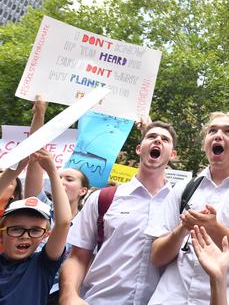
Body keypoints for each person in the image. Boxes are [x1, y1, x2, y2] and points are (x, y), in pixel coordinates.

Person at [147, 112, 229, 305]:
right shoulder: (183, 188)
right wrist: (183, 228)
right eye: (212, 131)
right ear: (205, 143)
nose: (218, 135)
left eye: (228, 131)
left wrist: (214, 228)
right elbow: (157, 256)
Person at [59, 121, 178, 305]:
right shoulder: (103, 198)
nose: (157, 141)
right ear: (139, 149)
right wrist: (69, 296)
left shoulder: (181, 205)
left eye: (165, 139)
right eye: (151, 137)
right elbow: (77, 256)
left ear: (173, 155)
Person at [0, 148, 71, 304]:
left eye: (35, 230)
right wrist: (13, 170)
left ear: (46, 235)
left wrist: (53, 171)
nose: (25, 235)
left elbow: (64, 222)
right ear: (1, 234)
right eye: (16, 229)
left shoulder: (42, 264)